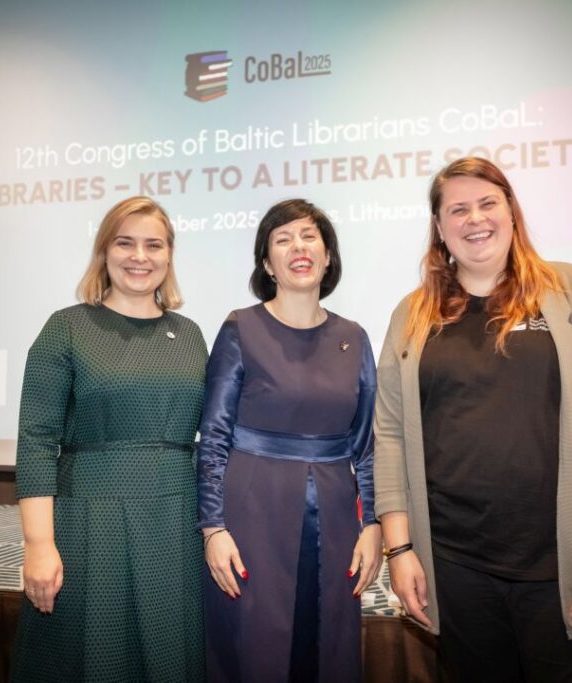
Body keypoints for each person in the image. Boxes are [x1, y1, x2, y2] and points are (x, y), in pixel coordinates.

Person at [374, 157, 572, 682]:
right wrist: (401, 549)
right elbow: (389, 434)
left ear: (511, 212)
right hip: (453, 567)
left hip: (564, 562)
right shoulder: (411, 314)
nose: (475, 219)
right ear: (439, 227)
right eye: (458, 209)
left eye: (487, 203)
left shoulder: (570, 289)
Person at [11, 196, 208, 682]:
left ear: (169, 255)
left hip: (177, 523)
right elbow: (36, 440)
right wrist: (38, 544)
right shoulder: (66, 328)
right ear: (104, 251)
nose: (140, 256)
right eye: (125, 243)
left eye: (153, 245)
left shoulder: (190, 335)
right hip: (89, 521)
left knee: (171, 656)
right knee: (93, 657)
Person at [197, 199, 383, 683]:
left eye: (308, 237)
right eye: (283, 239)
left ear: (327, 256)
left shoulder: (355, 337)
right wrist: (213, 529)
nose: (298, 248)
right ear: (266, 263)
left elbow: (367, 445)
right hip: (250, 517)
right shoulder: (240, 328)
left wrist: (374, 524)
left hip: (337, 521)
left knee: (328, 649)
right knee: (254, 650)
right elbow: (213, 437)